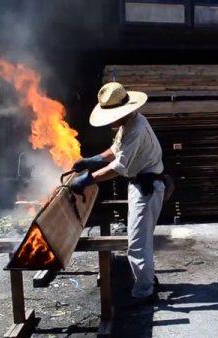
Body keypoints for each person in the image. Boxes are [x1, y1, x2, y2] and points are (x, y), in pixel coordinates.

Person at [69, 82, 164, 304]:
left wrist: (89, 179)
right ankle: (147, 280)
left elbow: (119, 167)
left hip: (146, 187)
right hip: (140, 184)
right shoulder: (129, 123)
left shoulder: (136, 128)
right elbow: (114, 150)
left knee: (137, 243)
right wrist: (92, 160)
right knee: (141, 239)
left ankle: (144, 292)